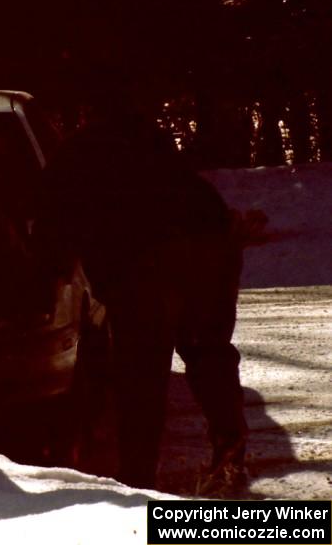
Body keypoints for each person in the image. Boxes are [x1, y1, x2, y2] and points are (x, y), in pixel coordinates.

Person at [34, 106, 248, 490]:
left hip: (143, 260)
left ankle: (139, 477)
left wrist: (48, 275)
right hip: (207, 244)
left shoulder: (76, 154)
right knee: (207, 351)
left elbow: (52, 223)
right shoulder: (151, 142)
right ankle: (229, 450)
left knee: (142, 372)